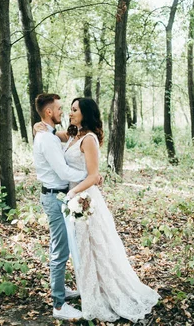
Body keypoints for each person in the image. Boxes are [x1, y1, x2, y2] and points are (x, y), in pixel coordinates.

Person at [51, 97, 160, 322]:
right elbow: (51, 134)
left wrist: (72, 194)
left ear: (85, 114)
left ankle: (102, 292)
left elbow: (93, 176)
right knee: (81, 247)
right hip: (74, 197)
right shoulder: (73, 135)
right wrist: (39, 125)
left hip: (83, 199)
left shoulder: (89, 139)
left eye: (74, 110)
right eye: (69, 110)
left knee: (94, 246)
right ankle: (89, 288)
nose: (70, 114)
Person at [32, 93, 85, 321]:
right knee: (59, 250)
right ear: (49, 112)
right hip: (55, 198)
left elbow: (63, 137)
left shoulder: (50, 134)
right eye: (60, 109)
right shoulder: (45, 139)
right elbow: (63, 172)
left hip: (61, 196)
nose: (63, 112)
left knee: (64, 246)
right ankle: (59, 306)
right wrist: (89, 175)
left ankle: (61, 291)